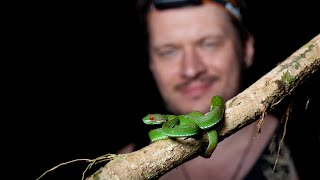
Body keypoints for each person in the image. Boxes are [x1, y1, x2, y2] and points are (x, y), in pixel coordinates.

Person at [120, 0, 300, 179]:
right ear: (151, 62)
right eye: (169, 51)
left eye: (209, 43)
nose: (191, 70)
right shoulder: (124, 169)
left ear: (246, 49)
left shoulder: (306, 145)